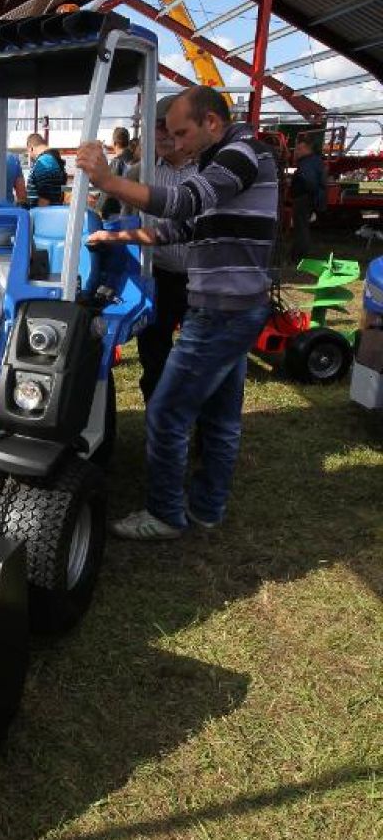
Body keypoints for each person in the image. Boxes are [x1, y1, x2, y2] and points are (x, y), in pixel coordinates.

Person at [78, 84, 277, 540]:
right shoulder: (225, 161)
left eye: (183, 134)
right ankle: (208, 507)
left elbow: (185, 202)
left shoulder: (242, 153)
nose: (179, 145)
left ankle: (166, 514)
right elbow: (181, 228)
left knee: (166, 412)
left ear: (212, 121)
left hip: (221, 311)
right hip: (236, 307)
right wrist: (116, 239)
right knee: (222, 417)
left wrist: (109, 181)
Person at [136, 102, 197, 402]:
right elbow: (112, 210)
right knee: (153, 355)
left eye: (168, 126)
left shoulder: (208, 169)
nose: (161, 133)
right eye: (156, 125)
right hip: (156, 278)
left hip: (200, 280)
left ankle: (200, 434)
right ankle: (157, 423)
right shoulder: (141, 171)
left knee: (199, 361)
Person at [290, 133, 326, 264]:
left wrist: (306, 194)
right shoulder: (314, 161)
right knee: (302, 227)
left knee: (301, 228)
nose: (297, 152)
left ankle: (299, 256)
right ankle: (299, 254)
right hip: (308, 197)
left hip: (304, 198)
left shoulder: (307, 162)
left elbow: (310, 181)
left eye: (299, 149)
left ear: (306, 148)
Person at [25, 133, 67, 207]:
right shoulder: (52, 159)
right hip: (51, 212)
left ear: (31, 148)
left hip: (42, 214)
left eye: (28, 152)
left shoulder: (44, 162)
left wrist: (40, 215)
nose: (30, 156)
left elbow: (45, 197)